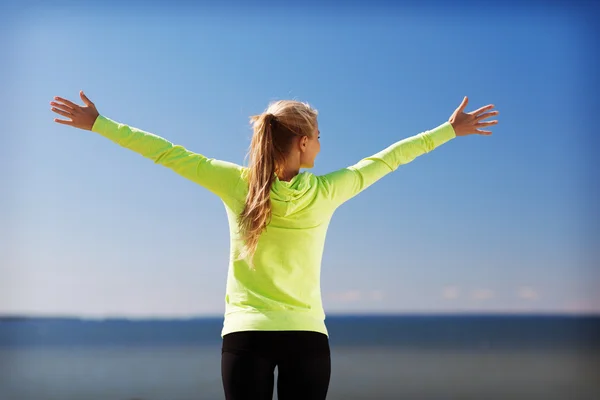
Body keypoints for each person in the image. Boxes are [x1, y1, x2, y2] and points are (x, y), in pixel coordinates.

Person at [50, 91, 498, 400]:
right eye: (318, 138)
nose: (321, 147)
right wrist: (448, 130)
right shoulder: (328, 190)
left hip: (245, 338)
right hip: (307, 339)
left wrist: (100, 124)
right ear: (303, 143)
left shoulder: (235, 183)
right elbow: (390, 159)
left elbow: (167, 153)